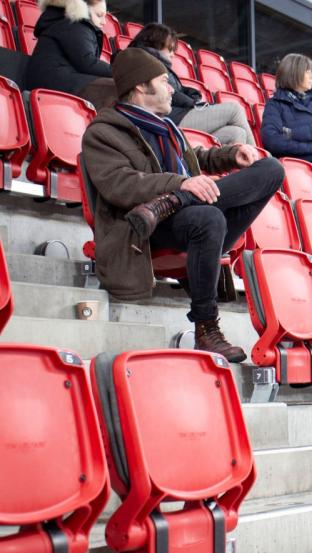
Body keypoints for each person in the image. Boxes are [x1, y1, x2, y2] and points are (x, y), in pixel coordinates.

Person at [81, 48, 284, 362]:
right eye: (164, 81)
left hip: (179, 213)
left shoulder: (168, 128)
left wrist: (229, 156)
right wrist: (179, 184)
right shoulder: (103, 132)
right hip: (144, 229)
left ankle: (174, 202)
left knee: (271, 169)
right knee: (208, 218)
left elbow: (195, 161)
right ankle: (206, 328)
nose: (172, 88)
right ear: (139, 86)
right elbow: (120, 184)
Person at [129, 23, 254, 145]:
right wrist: (191, 102)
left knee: (236, 133)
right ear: (156, 44)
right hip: (171, 118)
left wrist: (189, 93)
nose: (173, 54)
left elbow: (176, 90)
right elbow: (168, 93)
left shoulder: (160, 65)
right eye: (170, 49)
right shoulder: (145, 63)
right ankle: (263, 162)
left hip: (179, 114)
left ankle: (252, 163)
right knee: (235, 109)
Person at [25, 0, 116, 110]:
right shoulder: (74, 24)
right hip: (52, 81)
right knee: (115, 88)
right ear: (84, 11)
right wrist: (121, 72)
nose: (104, 22)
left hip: (51, 79)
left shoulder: (71, 22)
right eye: (99, 15)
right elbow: (87, 62)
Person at [261, 54, 312, 171]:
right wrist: (311, 147)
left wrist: (292, 134)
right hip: (293, 163)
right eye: (309, 72)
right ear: (295, 73)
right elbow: (272, 141)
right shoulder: (274, 104)